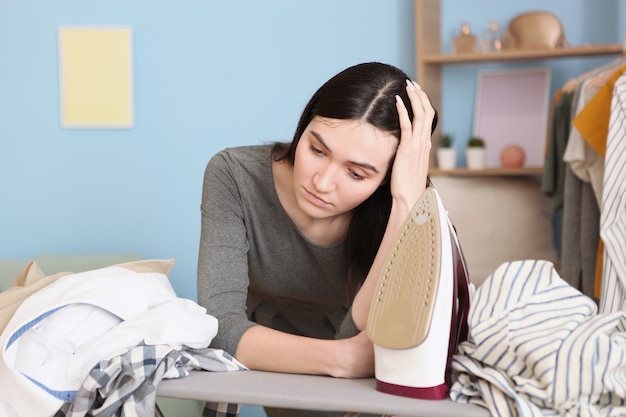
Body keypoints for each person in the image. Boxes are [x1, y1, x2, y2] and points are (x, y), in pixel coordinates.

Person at [197, 62, 437, 416]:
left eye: (356, 173)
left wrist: (405, 204)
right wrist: (348, 358)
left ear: (389, 177)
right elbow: (219, 330)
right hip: (278, 374)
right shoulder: (235, 175)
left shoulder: (408, 204)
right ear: (305, 123)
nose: (322, 183)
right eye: (317, 150)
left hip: (370, 395)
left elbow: (384, 335)